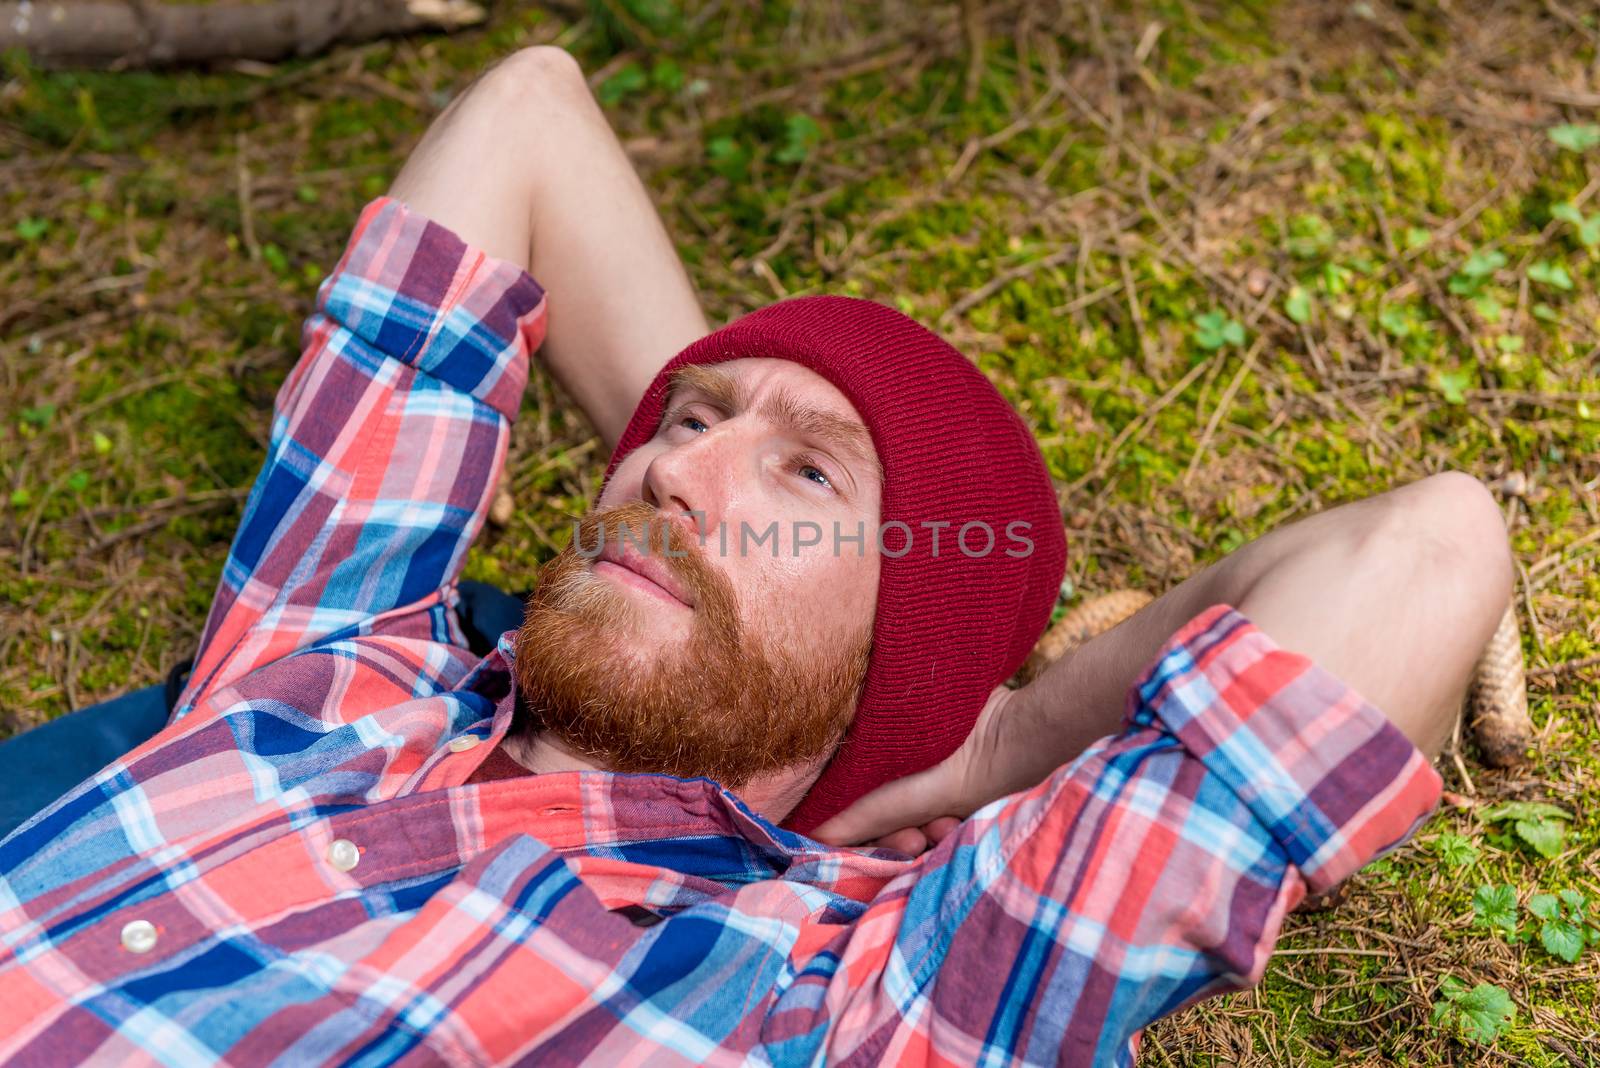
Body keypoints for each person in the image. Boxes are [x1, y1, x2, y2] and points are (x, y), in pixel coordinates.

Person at [0, 46, 1512, 1065]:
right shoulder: (329, 662)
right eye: (683, 420)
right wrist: (725, 482)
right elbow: (529, 108)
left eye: (808, 476)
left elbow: (1427, 552)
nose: (665, 463)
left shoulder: (826, 993)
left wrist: (992, 740)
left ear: (894, 665)